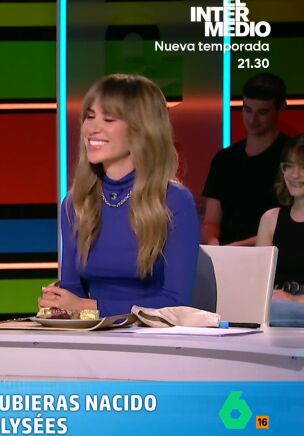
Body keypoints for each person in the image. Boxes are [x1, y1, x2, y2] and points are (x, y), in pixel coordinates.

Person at [39, 74, 200, 316]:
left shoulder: (174, 201)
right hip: (93, 333)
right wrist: (60, 301)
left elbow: (175, 302)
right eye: (90, 117)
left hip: (155, 335)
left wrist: (89, 307)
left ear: (141, 129)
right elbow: (74, 290)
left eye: (108, 119)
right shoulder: (76, 203)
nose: (92, 128)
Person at [202, 73, 289, 246]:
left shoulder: (291, 158)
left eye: (262, 112)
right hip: (227, 256)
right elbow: (211, 221)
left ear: (281, 108)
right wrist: (214, 244)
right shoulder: (224, 160)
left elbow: (291, 223)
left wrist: (238, 248)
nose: (252, 120)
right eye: (247, 110)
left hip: (275, 256)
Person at [256, 135, 304, 327]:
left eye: (302, 167)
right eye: (289, 166)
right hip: (272, 312)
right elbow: (258, 281)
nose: (294, 174)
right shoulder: (270, 219)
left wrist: (293, 300)